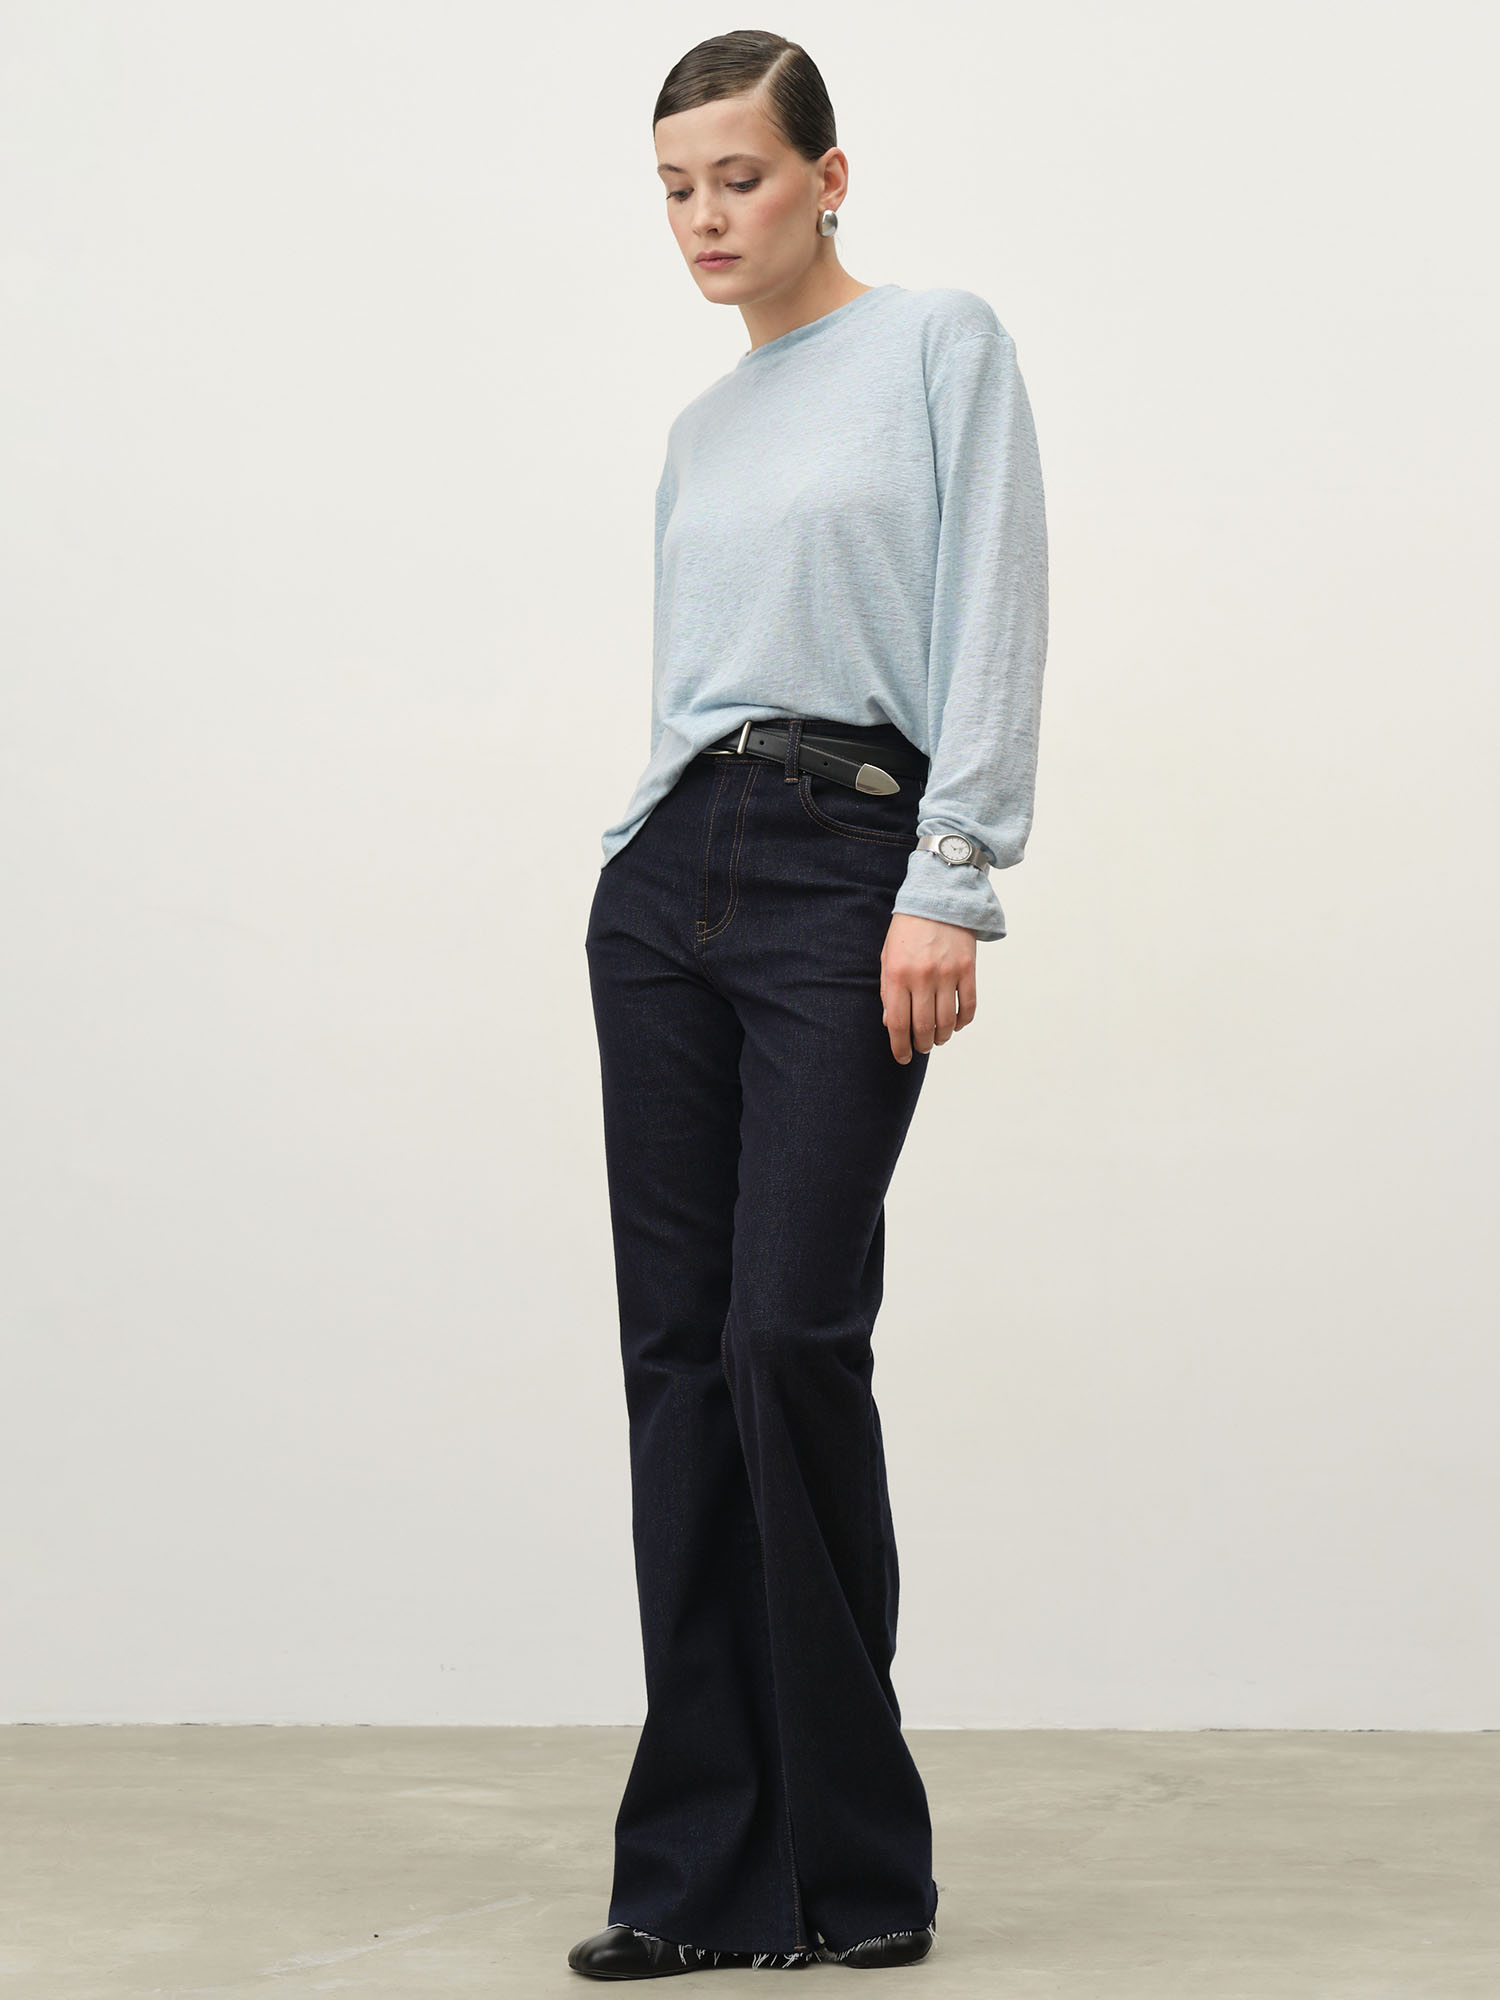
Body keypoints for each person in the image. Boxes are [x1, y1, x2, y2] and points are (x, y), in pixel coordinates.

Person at [570, 27, 1049, 1982]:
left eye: (741, 178)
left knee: (788, 1335)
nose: (705, 217)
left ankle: (856, 1865)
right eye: (676, 188)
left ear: (827, 178)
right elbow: (689, 678)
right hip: (666, 878)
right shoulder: (702, 432)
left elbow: (993, 606)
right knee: (679, 1364)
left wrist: (952, 871)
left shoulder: (940, 345)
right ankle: (691, 1873)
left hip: (848, 858)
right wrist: (635, 854)